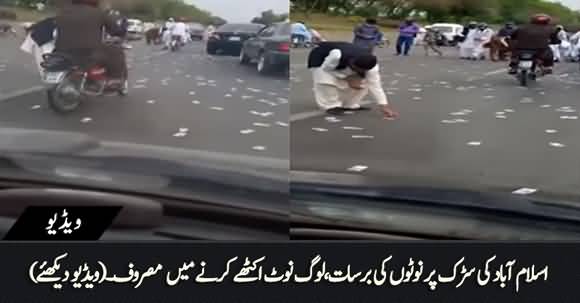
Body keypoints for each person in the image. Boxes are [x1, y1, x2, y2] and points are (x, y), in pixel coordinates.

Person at [307, 41, 398, 118]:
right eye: (354, 68)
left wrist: (384, 106)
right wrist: (347, 78)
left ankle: (350, 104)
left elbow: (375, 86)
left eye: (359, 70)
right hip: (321, 59)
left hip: (342, 62)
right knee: (325, 80)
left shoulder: (372, 68)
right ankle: (330, 105)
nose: (355, 71)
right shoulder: (337, 55)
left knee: (363, 84)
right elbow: (326, 69)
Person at [54, 0, 127, 86]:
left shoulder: (61, 13)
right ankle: (115, 79)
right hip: (88, 54)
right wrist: (122, 29)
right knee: (116, 50)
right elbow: (116, 30)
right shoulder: (98, 13)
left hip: (61, 53)